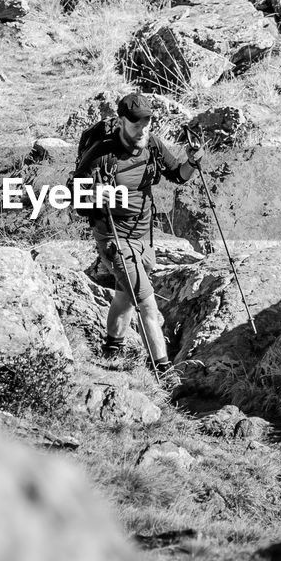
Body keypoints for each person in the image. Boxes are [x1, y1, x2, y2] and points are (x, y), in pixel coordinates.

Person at [72, 93, 204, 378]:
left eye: (147, 123)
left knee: (125, 296)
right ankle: (164, 372)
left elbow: (178, 175)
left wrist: (192, 162)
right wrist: (94, 194)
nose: (143, 129)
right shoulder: (101, 153)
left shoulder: (153, 145)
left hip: (143, 236)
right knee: (146, 300)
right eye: (136, 124)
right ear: (121, 122)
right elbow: (73, 196)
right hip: (112, 236)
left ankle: (111, 351)